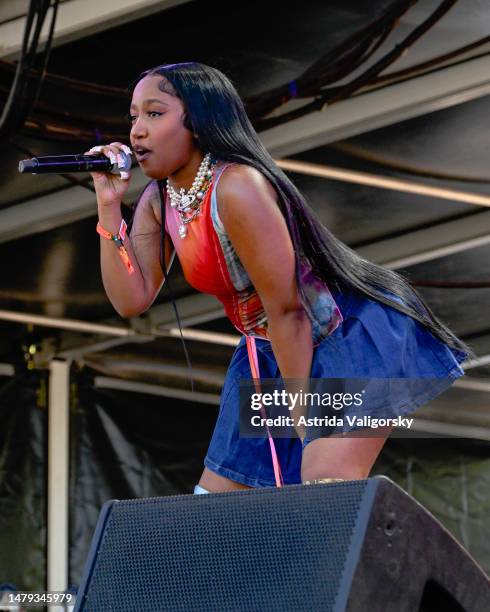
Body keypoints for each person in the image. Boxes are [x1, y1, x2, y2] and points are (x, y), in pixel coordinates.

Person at [88, 62, 470, 494]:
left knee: (322, 488)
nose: (137, 130)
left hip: (346, 337)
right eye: (133, 117)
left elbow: (289, 310)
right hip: (269, 351)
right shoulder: (161, 198)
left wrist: (305, 419)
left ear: (198, 119)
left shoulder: (237, 187)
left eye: (154, 114)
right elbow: (130, 300)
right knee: (214, 512)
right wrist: (108, 206)